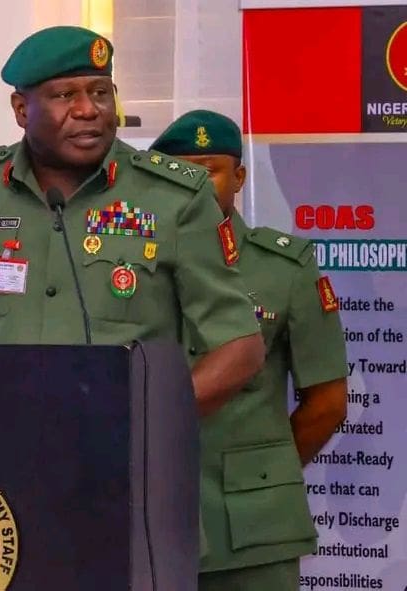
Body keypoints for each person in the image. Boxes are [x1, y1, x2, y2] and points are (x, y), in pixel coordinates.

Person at [0, 26, 265, 416]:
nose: (88, 110)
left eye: (101, 92)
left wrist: (150, 419)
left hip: (123, 445)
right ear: (21, 110)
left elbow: (239, 346)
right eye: (65, 95)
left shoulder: (174, 197)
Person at [151, 110, 348, 590]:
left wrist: (263, 476)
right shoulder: (131, 268)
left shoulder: (284, 266)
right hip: (146, 515)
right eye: (180, 173)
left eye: (210, 170)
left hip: (253, 530)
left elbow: (327, 402)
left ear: (238, 177)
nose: (196, 184)